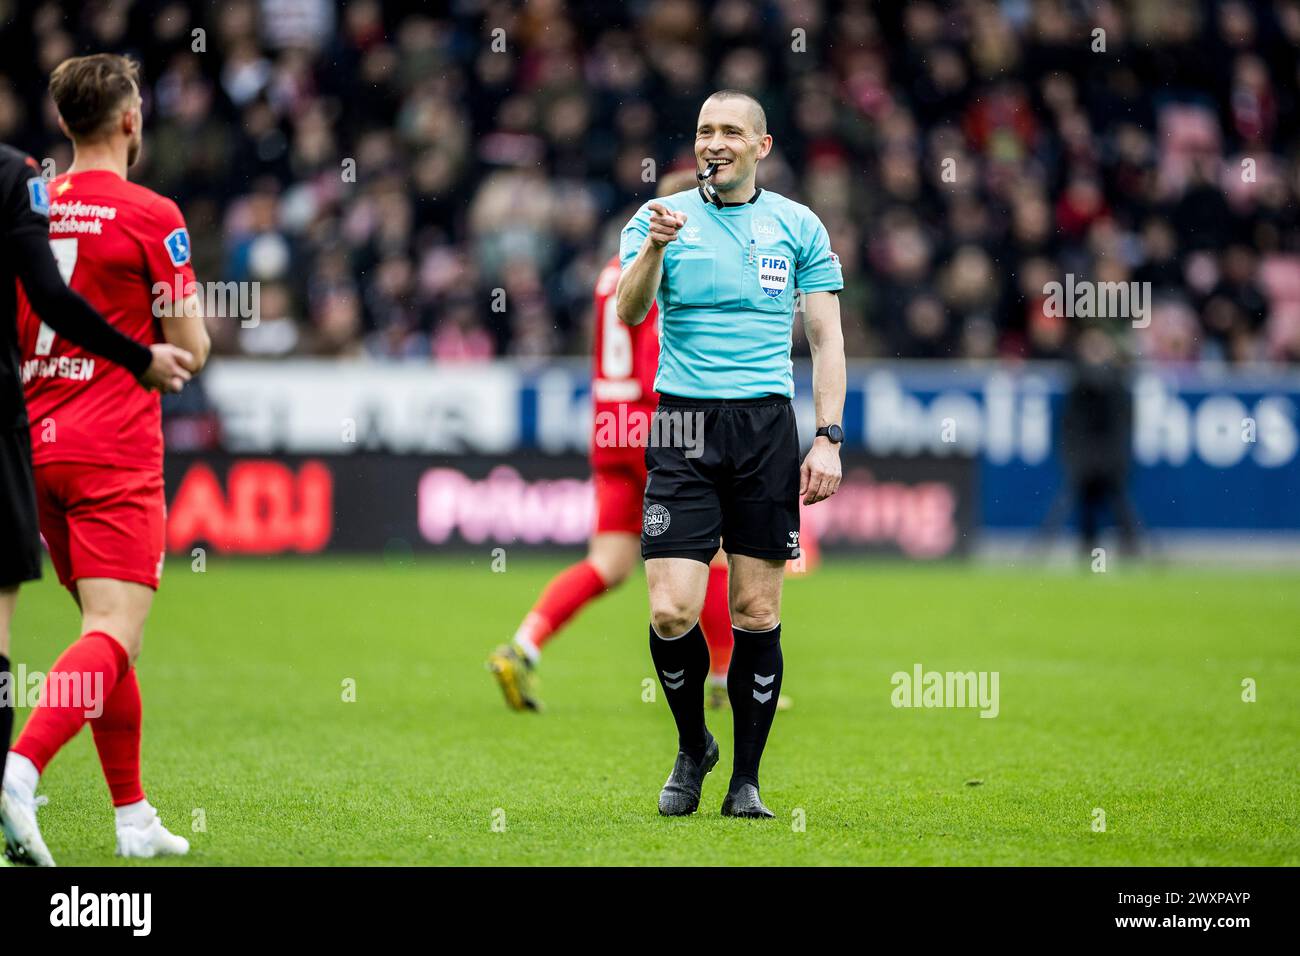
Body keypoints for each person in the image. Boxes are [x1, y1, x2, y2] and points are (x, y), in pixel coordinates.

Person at [1, 53, 210, 866]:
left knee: (105, 632)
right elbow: (189, 344)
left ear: (63, 124)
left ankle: (132, 817)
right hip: (114, 447)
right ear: (131, 121)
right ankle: (20, 770)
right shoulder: (151, 213)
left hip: (34, 448)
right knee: (115, 631)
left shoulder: (32, 202)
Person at [616, 91, 845, 818]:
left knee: (754, 608)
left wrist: (829, 436)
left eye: (730, 131)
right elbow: (628, 312)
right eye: (704, 131)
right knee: (671, 611)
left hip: (765, 429)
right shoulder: (659, 221)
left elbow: (826, 339)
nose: (715, 142)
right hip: (682, 423)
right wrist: (655, 245)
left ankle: (746, 780)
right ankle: (692, 746)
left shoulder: (797, 225)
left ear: (761, 145)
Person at [488, 170, 749, 711]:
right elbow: (658, 362)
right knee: (717, 544)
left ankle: (524, 645)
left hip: (609, 427)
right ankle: (725, 678)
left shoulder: (611, 272)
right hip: (657, 426)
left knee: (608, 562)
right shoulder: (663, 268)